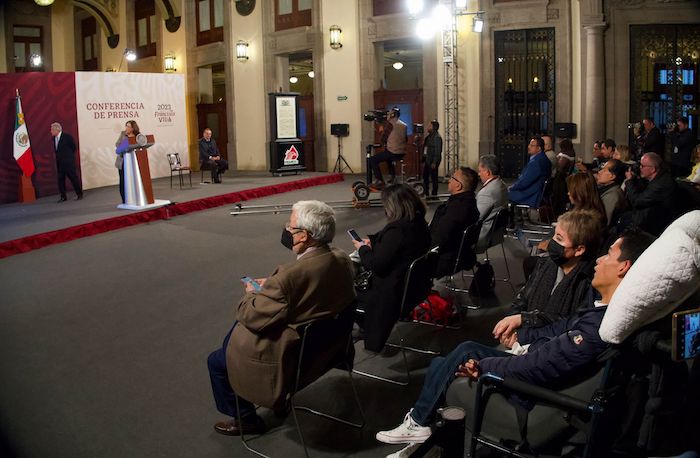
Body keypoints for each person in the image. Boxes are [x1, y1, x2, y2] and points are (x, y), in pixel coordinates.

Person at [375, 229, 655, 450]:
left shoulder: (598, 328)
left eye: (608, 255)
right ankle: (420, 424)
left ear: (623, 267)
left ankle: (420, 423)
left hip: (529, 392)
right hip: (528, 362)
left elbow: (541, 366)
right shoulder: (601, 310)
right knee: (443, 362)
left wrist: (486, 367)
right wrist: (523, 337)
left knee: (460, 354)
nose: (599, 259)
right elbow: (559, 329)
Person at [207, 200, 355, 436]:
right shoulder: (341, 258)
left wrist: (253, 294)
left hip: (291, 360)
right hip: (329, 350)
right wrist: (275, 290)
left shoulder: (287, 278)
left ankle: (245, 419)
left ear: (304, 236)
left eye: (290, 225)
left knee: (217, 360)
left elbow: (252, 316)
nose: (286, 229)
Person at [495, 209, 602, 336]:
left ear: (579, 250)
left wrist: (524, 325)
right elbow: (522, 299)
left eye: (559, 238)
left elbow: (569, 323)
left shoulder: (589, 282)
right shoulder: (544, 264)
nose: (552, 242)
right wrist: (510, 327)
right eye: (554, 235)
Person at [353, 184, 431, 352]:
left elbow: (376, 265)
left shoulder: (397, 230)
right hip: (415, 287)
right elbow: (395, 249)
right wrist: (373, 243)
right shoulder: (418, 223)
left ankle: (365, 328)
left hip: (392, 293)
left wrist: (362, 249)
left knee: (346, 294)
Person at [429, 167, 480, 278]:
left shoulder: (458, 209)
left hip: (444, 259)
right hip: (458, 254)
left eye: (452, 178)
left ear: (458, 185)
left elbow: (439, 238)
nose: (449, 180)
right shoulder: (468, 202)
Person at [622, 152, 677, 235]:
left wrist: (629, 181)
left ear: (653, 169)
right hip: (649, 216)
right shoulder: (658, 177)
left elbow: (637, 201)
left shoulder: (661, 184)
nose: (640, 168)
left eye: (642, 166)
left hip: (654, 226)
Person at [475, 155, 508, 253]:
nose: (479, 174)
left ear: (487, 172)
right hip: (497, 232)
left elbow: (475, 218)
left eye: (480, 171)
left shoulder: (487, 192)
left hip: (483, 235)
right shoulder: (502, 185)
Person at [508, 136, 551, 208]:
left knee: (502, 194)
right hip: (535, 191)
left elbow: (524, 182)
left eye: (532, 145)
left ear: (539, 148)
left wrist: (511, 187)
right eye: (529, 144)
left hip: (530, 195)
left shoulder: (536, 162)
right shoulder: (543, 158)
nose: (528, 147)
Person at [370, 107, 408, 186]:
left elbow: (383, 138)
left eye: (389, 114)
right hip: (401, 152)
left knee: (372, 160)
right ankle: (392, 177)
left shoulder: (390, 124)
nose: (387, 115)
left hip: (393, 151)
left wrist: (380, 131)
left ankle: (379, 180)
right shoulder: (404, 125)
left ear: (393, 115)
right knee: (388, 157)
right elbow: (406, 139)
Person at [51, 122, 83, 202]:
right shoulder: (53, 138)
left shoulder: (67, 137)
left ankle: (79, 194)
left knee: (73, 178)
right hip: (60, 163)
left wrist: (68, 157)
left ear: (57, 130)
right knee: (61, 180)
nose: (51, 131)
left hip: (69, 163)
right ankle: (63, 197)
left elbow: (73, 147)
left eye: (52, 129)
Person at [595, 158, 629, 227]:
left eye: (604, 170)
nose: (599, 172)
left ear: (612, 176)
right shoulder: (606, 189)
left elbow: (604, 223)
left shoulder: (612, 196)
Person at [114, 120, 139, 204]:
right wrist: (125, 144)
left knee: (134, 180)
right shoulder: (123, 134)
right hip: (122, 161)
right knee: (123, 181)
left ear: (133, 128)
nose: (126, 128)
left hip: (134, 161)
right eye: (126, 126)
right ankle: (124, 200)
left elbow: (140, 146)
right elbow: (117, 144)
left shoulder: (138, 136)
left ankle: (135, 198)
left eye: (128, 126)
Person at [422, 120, 442, 196]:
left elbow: (438, 151)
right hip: (427, 160)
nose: (428, 127)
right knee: (425, 177)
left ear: (434, 128)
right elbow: (425, 149)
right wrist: (423, 160)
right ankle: (426, 192)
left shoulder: (437, 138)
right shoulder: (428, 137)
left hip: (433, 161)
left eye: (430, 126)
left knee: (434, 178)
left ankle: (434, 194)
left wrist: (434, 162)